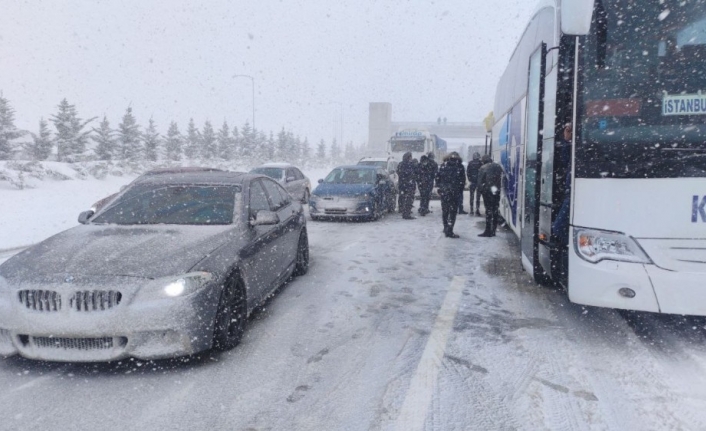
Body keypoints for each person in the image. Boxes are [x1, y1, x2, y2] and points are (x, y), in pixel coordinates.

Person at [435, 152, 466, 238]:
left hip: (444, 192)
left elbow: (437, 177)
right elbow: (462, 181)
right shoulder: (460, 166)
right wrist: (459, 190)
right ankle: (450, 230)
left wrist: (440, 188)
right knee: (452, 212)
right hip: (454, 192)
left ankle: (445, 227)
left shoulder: (443, 165)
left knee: (445, 211)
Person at [477, 154, 502, 237]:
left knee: (488, 210)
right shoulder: (498, 166)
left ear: (483, 161)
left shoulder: (483, 168)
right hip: (496, 190)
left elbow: (480, 181)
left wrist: (480, 191)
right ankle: (493, 230)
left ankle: (488, 230)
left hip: (487, 191)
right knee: (495, 209)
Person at [396, 152, 417, 219]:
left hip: (403, 184)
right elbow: (412, 173)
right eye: (410, 157)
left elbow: (398, 172)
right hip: (408, 185)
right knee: (409, 199)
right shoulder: (409, 164)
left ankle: (402, 209)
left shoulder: (401, 164)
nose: (411, 158)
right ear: (409, 157)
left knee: (403, 197)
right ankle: (406, 213)